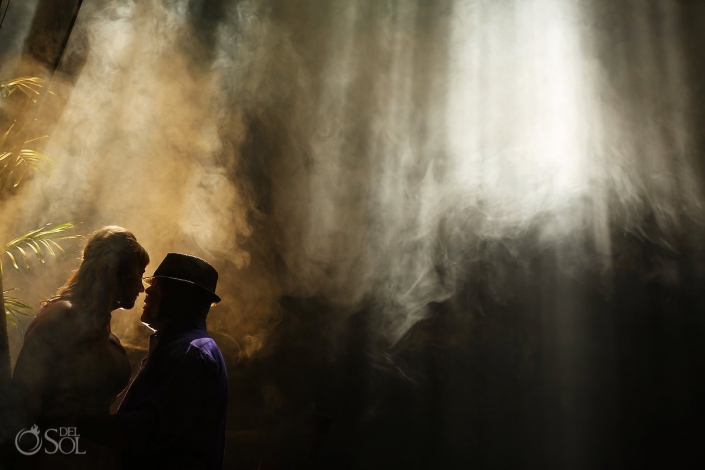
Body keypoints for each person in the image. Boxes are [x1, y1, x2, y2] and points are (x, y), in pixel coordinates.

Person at [6, 226, 149, 469]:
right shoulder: (63, 317)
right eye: (139, 274)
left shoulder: (100, 327)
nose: (142, 287)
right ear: (116, 271)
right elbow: (23, 401)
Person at [116, 253, 228, 470]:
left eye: (161, 285)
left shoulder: (190, 353)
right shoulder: (185, 348)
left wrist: (80, 421)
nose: (147, 290)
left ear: (185, 298)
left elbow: (150, 430)